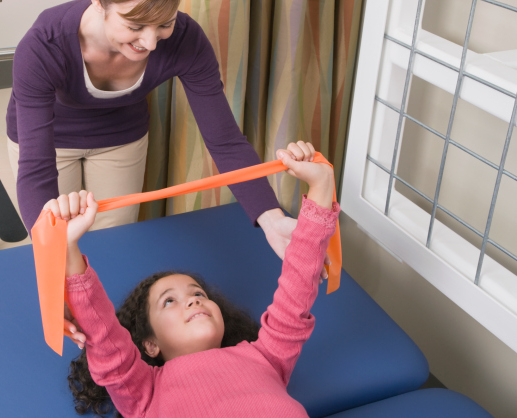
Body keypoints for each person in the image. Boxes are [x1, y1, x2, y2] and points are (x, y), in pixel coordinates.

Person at [6, 0, 299, 249]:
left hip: (120, 137)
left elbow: (224, 140)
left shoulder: (186, 41)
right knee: (60, 242)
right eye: (134, 25)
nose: (150, 42)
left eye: (164, 23)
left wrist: (271, 218)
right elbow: (36, 168)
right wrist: (50, 246)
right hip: (53, 139)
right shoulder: (43, 46)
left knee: (114, 244)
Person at [52, 142, 339, 417]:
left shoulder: (267, 355)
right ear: (150, 344)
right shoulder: (144, 389)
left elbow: (297, 287)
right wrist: (68, 249)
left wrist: (322, 185)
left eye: (199, 294)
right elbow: (105, 339)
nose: (192, 299)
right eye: (169, 301)